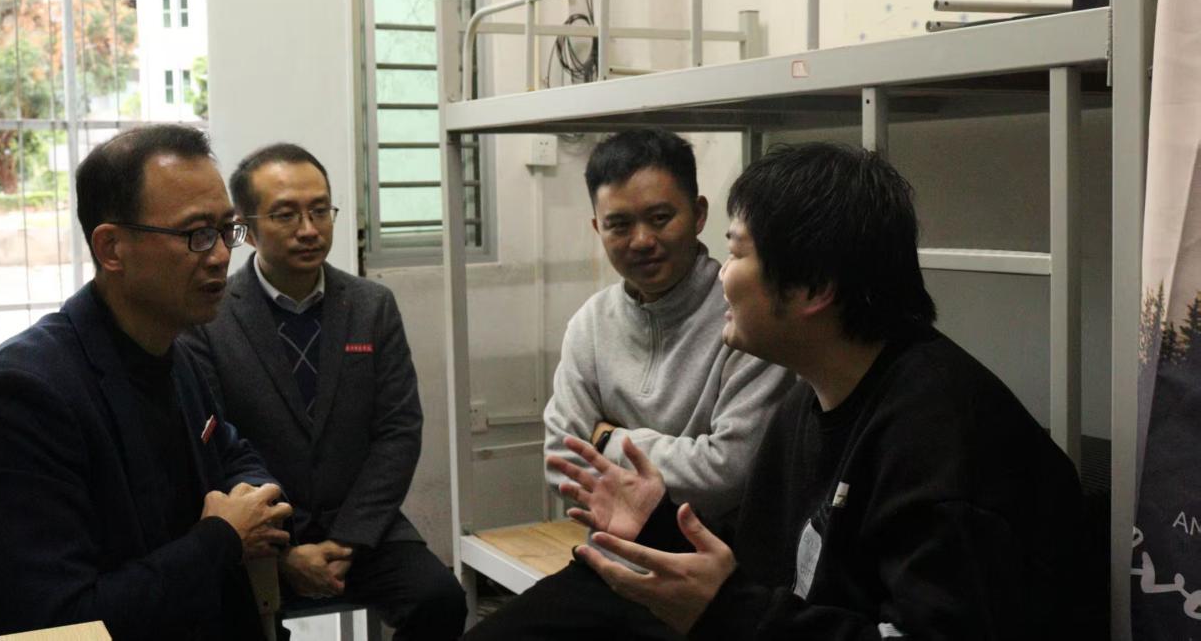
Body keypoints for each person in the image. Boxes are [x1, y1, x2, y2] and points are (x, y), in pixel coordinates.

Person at [557, 142, 1085, 639]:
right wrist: (659, 528)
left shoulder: (939, 440)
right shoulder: (810, 400)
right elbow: (765, 579)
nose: (721, 277)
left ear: (812, 289)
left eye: (737, 254)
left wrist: (728, 610)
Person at [0, 125, 293, 640]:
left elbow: (232, 452)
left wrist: (254, 498)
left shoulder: (175, 353)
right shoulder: (24, 395)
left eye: (227, 230)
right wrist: (221, 538)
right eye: (196, 234)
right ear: (111, 247)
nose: (221, 255)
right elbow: (58, 626)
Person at [465, 128, 791, 640]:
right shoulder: (591, 324)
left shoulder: (745, 319)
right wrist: (674, 454)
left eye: (660, 218)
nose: (641, 240)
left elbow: (729, 473)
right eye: (619, 224)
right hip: (608, 564)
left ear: (699, 214)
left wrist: (607, 439)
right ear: (598, 228)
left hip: (706, 580)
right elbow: (562, 464)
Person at [181, 143, 465, 640]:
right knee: (222, 623)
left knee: (440, 600)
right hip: (259, 535)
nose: (309, 229)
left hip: (363, 528)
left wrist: (347, 541)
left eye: (319, 211)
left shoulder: (371, 305)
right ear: (246, 229)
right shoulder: (211, 317)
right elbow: (213, 445)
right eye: (286, 215)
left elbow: (399, 430)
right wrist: (284, 554)